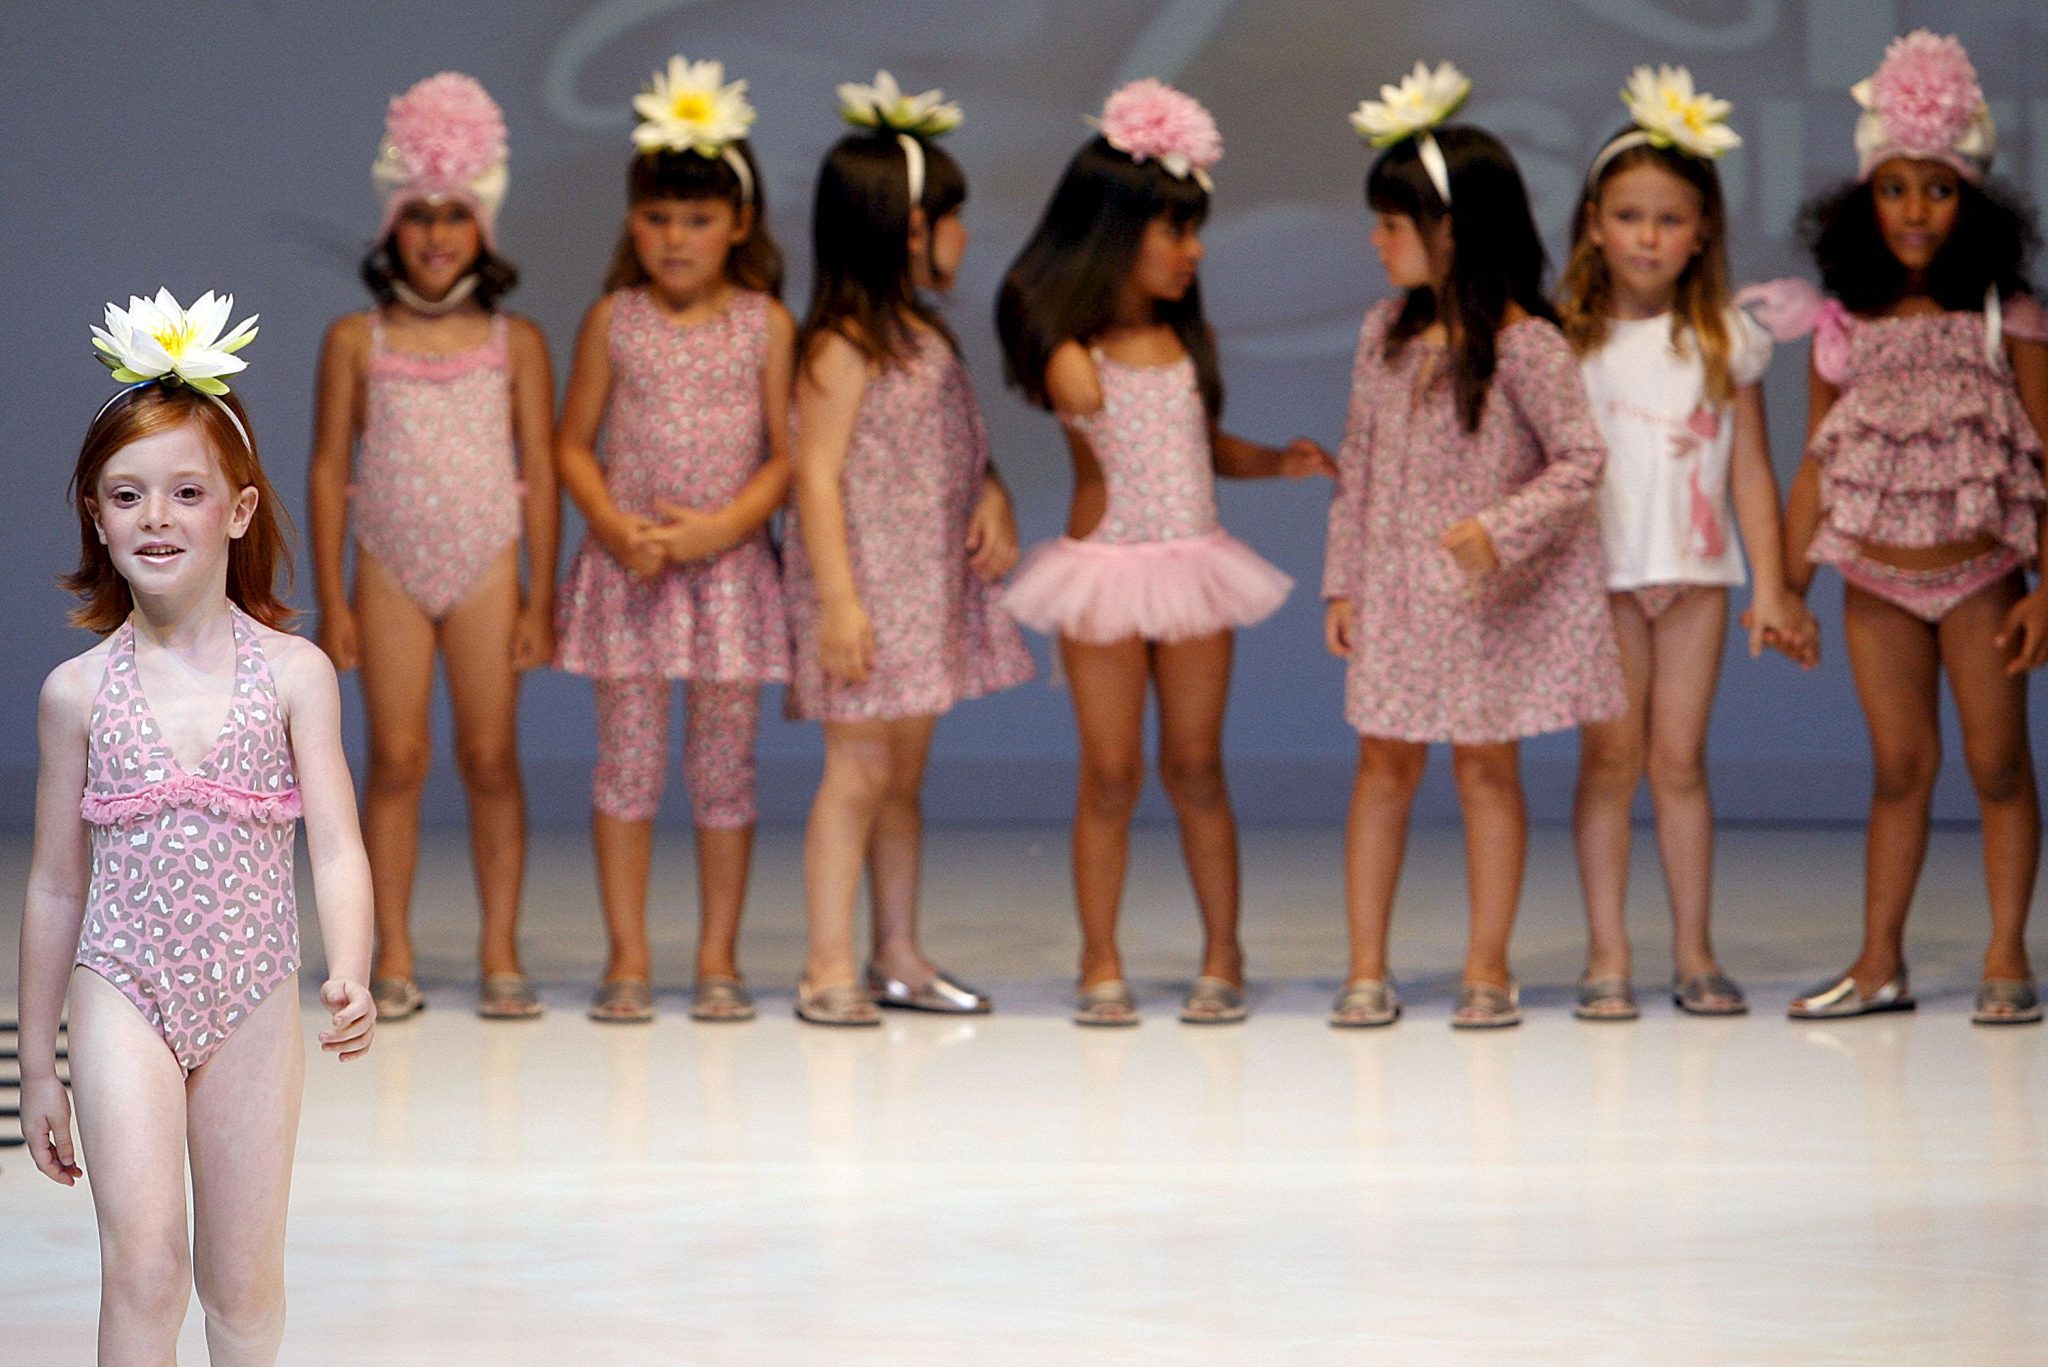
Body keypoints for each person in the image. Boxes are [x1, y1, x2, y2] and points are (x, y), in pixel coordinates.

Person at [19, 289, 375, 1363]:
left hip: (253, 996)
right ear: (95, 515)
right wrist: (38, 1062)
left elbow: (337, 842)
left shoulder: (295, 674)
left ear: (240, 508)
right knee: (143, 1269)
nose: (157, 517)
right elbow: (55, 884)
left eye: (187, 491)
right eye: (128, 495)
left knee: (242, 1286)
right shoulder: (77, 692)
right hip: (120, 990)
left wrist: (352, 965)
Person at [998, 78, 1332, 1027]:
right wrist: (1060, 347)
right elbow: (1031, 314)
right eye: (1174, 231)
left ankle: (1223, 951)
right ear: (1113, 232)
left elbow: (1199, 446)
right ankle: (1099, 955)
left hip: (1192, 564)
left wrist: (1274, 462)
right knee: (1109, 773)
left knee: (1195, 766)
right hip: (1105, 572)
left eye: (1195, 232)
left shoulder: (1187, 340)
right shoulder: (1071, 351)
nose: (1194, 252)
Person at [1744, 32, 2048, 1024]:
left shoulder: (2006, 317)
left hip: (1982, 576)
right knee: (1898, 768)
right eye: (1894, 189)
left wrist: (2047, 587)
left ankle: (2006, 952)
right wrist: (1786, 588)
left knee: (1997, 764)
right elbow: (1816, 464)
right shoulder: (1844, 325)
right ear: (1862, 200)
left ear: (1974, 201)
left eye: (1938, 189)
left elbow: (2046, 464)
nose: (1914, 210)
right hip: (1875, 578)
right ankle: (1879, 961)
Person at [1324, 63, 1625, 1029]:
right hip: (1395, 594)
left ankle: (1488, 966)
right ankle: (1365, 967)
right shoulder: (1384, 332)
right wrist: (1343, 582)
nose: (1377, 243)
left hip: (1481, 602)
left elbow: (1581, 459)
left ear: (1452, 230)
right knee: (1383, 765)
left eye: (1393, 225)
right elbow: (1358, 462)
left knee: (1485, 770)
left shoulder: (1527, 344)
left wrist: (1498, 528)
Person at [1557, 67, 1817, 1021]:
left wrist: (1773, 587)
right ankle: (1607, 952)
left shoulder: (1721, 338)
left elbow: (1750, 469)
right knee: (1609, 762)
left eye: (1669, 220)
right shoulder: (1567, 339)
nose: (1648, 237)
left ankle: (1695, 950)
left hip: (1696, 577)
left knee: (1679, 761)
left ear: (1701, 230)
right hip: (1604, 578)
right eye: (1629, 217)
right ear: (1594, 225)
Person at [783, 72, 1033, 1026]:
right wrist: (840, 601)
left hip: (924, 589)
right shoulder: (842, 345)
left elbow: (957, 447)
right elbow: (815, 475)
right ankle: (826, 963)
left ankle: (896, 950)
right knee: (856, 772)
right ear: (908, 227)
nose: (965, 236)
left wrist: (993, 494)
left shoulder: (923, 338)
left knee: (900, 779)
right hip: (867, 590)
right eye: (953, 217)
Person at [308, 72, 558, 1020]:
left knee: (490, 756)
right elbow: (329, 469)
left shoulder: (515, 341)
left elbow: (539, 473)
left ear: (483, 226)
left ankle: (501, 950)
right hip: (389, 565)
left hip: (489, 563)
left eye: (456, 215)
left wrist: (538, 595)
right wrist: (334, 598)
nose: (437, 235)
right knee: (397, 757)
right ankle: (393, 951)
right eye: (419, 215)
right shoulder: (355, 340)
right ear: (391, 225)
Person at [555, 55, 795, 1023]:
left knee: (724, 771)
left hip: (727, 574)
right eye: (657, 217)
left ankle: (717, 957)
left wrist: (724, 528)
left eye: (697, 218)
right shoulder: (613, 320)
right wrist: (614, 524)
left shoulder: (766, 324)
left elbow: (786, 454)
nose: (675, 237)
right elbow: (572, 443)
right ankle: (626, 957)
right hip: (634, 570)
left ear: (739, 222)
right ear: (632, 223)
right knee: (626, 764)